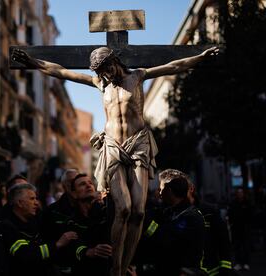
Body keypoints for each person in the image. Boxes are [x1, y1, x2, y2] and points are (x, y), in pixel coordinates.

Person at [12, 45, 219, 276]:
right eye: (100, 72)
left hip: (138, 144)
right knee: (122, 209)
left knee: (138, 211)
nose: (105, 75)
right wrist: (33, 61)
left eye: (106, 69)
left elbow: (174, 66)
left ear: (114, 61)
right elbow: (61, 72)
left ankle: (124, 265)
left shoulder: (138, 76)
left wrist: (200, 57)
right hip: (113, 146)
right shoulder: (100, 83)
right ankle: (116, 269)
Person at [159, 169, 233, 276]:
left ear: (191, 189)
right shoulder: (171, 212)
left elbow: (223, 241)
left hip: (212, 270)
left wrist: (225, 268)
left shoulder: (209, 212)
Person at [0, 183, 77, 276]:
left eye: (36, 198)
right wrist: (57, 244)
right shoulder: (7, 227)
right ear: (19, 203)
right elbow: (26, 255)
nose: (36, 203)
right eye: (32, 199)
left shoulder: (36, 221)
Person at [228, 187, 253, 271]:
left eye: (241, 192)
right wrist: (232, 223)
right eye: (238, 192)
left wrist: (249, 224)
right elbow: (230, 213)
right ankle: (238, 263)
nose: (240, 194)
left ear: (243, 193)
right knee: (237, 246)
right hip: (236, 228)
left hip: (245, 227)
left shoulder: (247, 202)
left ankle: (246, 263)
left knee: (246, 246)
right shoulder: (233, 203)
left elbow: (251, 214)